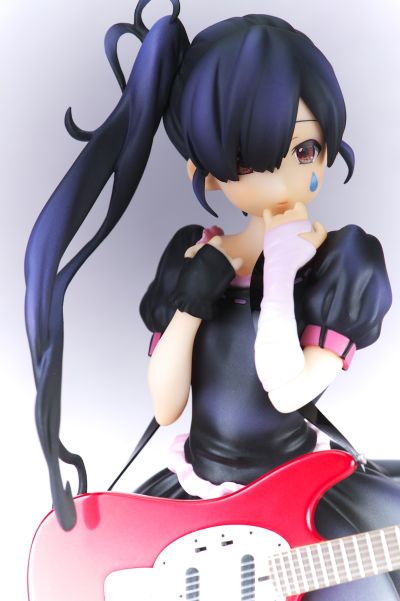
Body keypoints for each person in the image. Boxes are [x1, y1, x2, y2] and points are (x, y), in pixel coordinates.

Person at [25, 1, 400, 598]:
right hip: (201, 501)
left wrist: (282, 274)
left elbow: (288, 390)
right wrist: (192, 303)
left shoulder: (342, 262)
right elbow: (167, 405)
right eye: (251, 162)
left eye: (304, 151)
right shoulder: (196, 255)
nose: (283, 182)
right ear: (206, 172)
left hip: (299, 497)